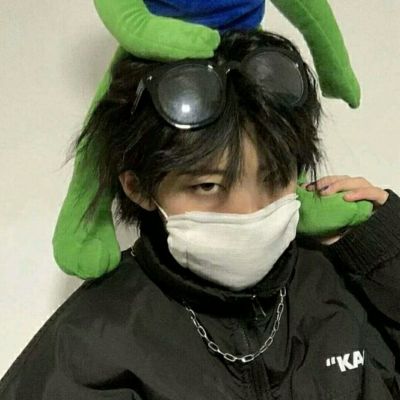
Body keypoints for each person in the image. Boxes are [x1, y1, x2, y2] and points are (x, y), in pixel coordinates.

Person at [1, 29, 399, 399]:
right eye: (207, 186)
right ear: (138, 188)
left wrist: (386, 249)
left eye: (274, 176)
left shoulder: (340, 278)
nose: (249, 210)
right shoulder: (94, 338)